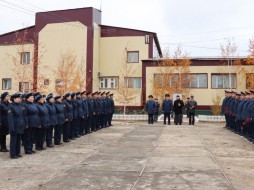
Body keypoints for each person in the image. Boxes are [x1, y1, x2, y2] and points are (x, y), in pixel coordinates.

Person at [9, 93, 27, 159]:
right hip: (15, 125)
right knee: (13, 141)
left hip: (20, 125)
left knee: (18, 140)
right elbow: (10, 118)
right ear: (14, 99)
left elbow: (23, 116)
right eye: (18, 98)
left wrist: (24, 124)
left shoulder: (20, 106)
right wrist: (11, 127)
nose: (20, 99)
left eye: (20, 98)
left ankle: (17, 152)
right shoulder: (11, 106)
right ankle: (13, 154)